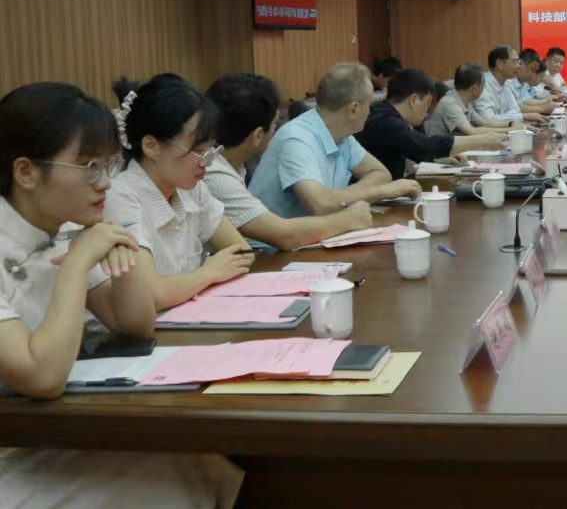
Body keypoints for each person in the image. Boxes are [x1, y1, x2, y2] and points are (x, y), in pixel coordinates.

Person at [0, 82, 242, 509]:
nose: (106, 184)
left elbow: (134, 323)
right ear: (26, 172)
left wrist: (121, 248)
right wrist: (78, 264)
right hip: (15, 452)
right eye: (89, 167)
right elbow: (42, 376)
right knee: (176, 477)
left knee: (211, 464)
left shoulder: (63, 228)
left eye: (109, 165)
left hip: (51, 433)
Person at [104, 75, 255, 310]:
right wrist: (208, 273)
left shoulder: (191, 187)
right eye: (199, 150)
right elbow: (150, 295)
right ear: (151, 146)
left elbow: (242, 252)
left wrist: (193, 283)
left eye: (211, 150)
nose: (207, 162)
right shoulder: (121, 197)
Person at [205, 74, 372, 250]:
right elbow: (285, 235)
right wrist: (349, 219)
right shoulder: (213, 171)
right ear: (258, 135)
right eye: (275, 124)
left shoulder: (229, 164)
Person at [248, 62, 422, 220]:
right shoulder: (297, 139)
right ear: (354, 109)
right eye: (368, 105)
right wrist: (382, 192)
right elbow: (320, 205)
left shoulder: (342, 136)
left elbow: (380, 174)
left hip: (314, 235)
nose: (370, 112)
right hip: (269, 244)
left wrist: (338, 198)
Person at [357, 68, 504, 179]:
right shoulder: (387, 121)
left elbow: (414, 148)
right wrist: (482, 139)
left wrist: (442, 159)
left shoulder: (389, 114)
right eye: (427, 103)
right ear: (413, 100)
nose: (428, 109)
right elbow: (424, 146)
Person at [427, 64, 517, 138]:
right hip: (440, 153)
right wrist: (509, 130)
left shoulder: (464, 100)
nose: (484, 88)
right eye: (483, 84)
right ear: (474, 88)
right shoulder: (450, 104)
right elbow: (472, 131)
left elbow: (483, 123)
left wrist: (511, 124)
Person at [476, 45, 546, 126]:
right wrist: (524, 117)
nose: (518, 66)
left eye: (519, 62)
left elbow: (514, 111)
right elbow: (488, 120)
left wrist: (524, 121)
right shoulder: (482, 84)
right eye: (515, 62)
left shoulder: (506, 83)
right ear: (500, 64)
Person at [511, 50, 556, 115]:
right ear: (520, 63)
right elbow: (515, 108)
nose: (532, 75)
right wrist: (542, 108)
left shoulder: (522, 83)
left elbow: (526, 102)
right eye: (532, 70)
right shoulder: (509, 82)